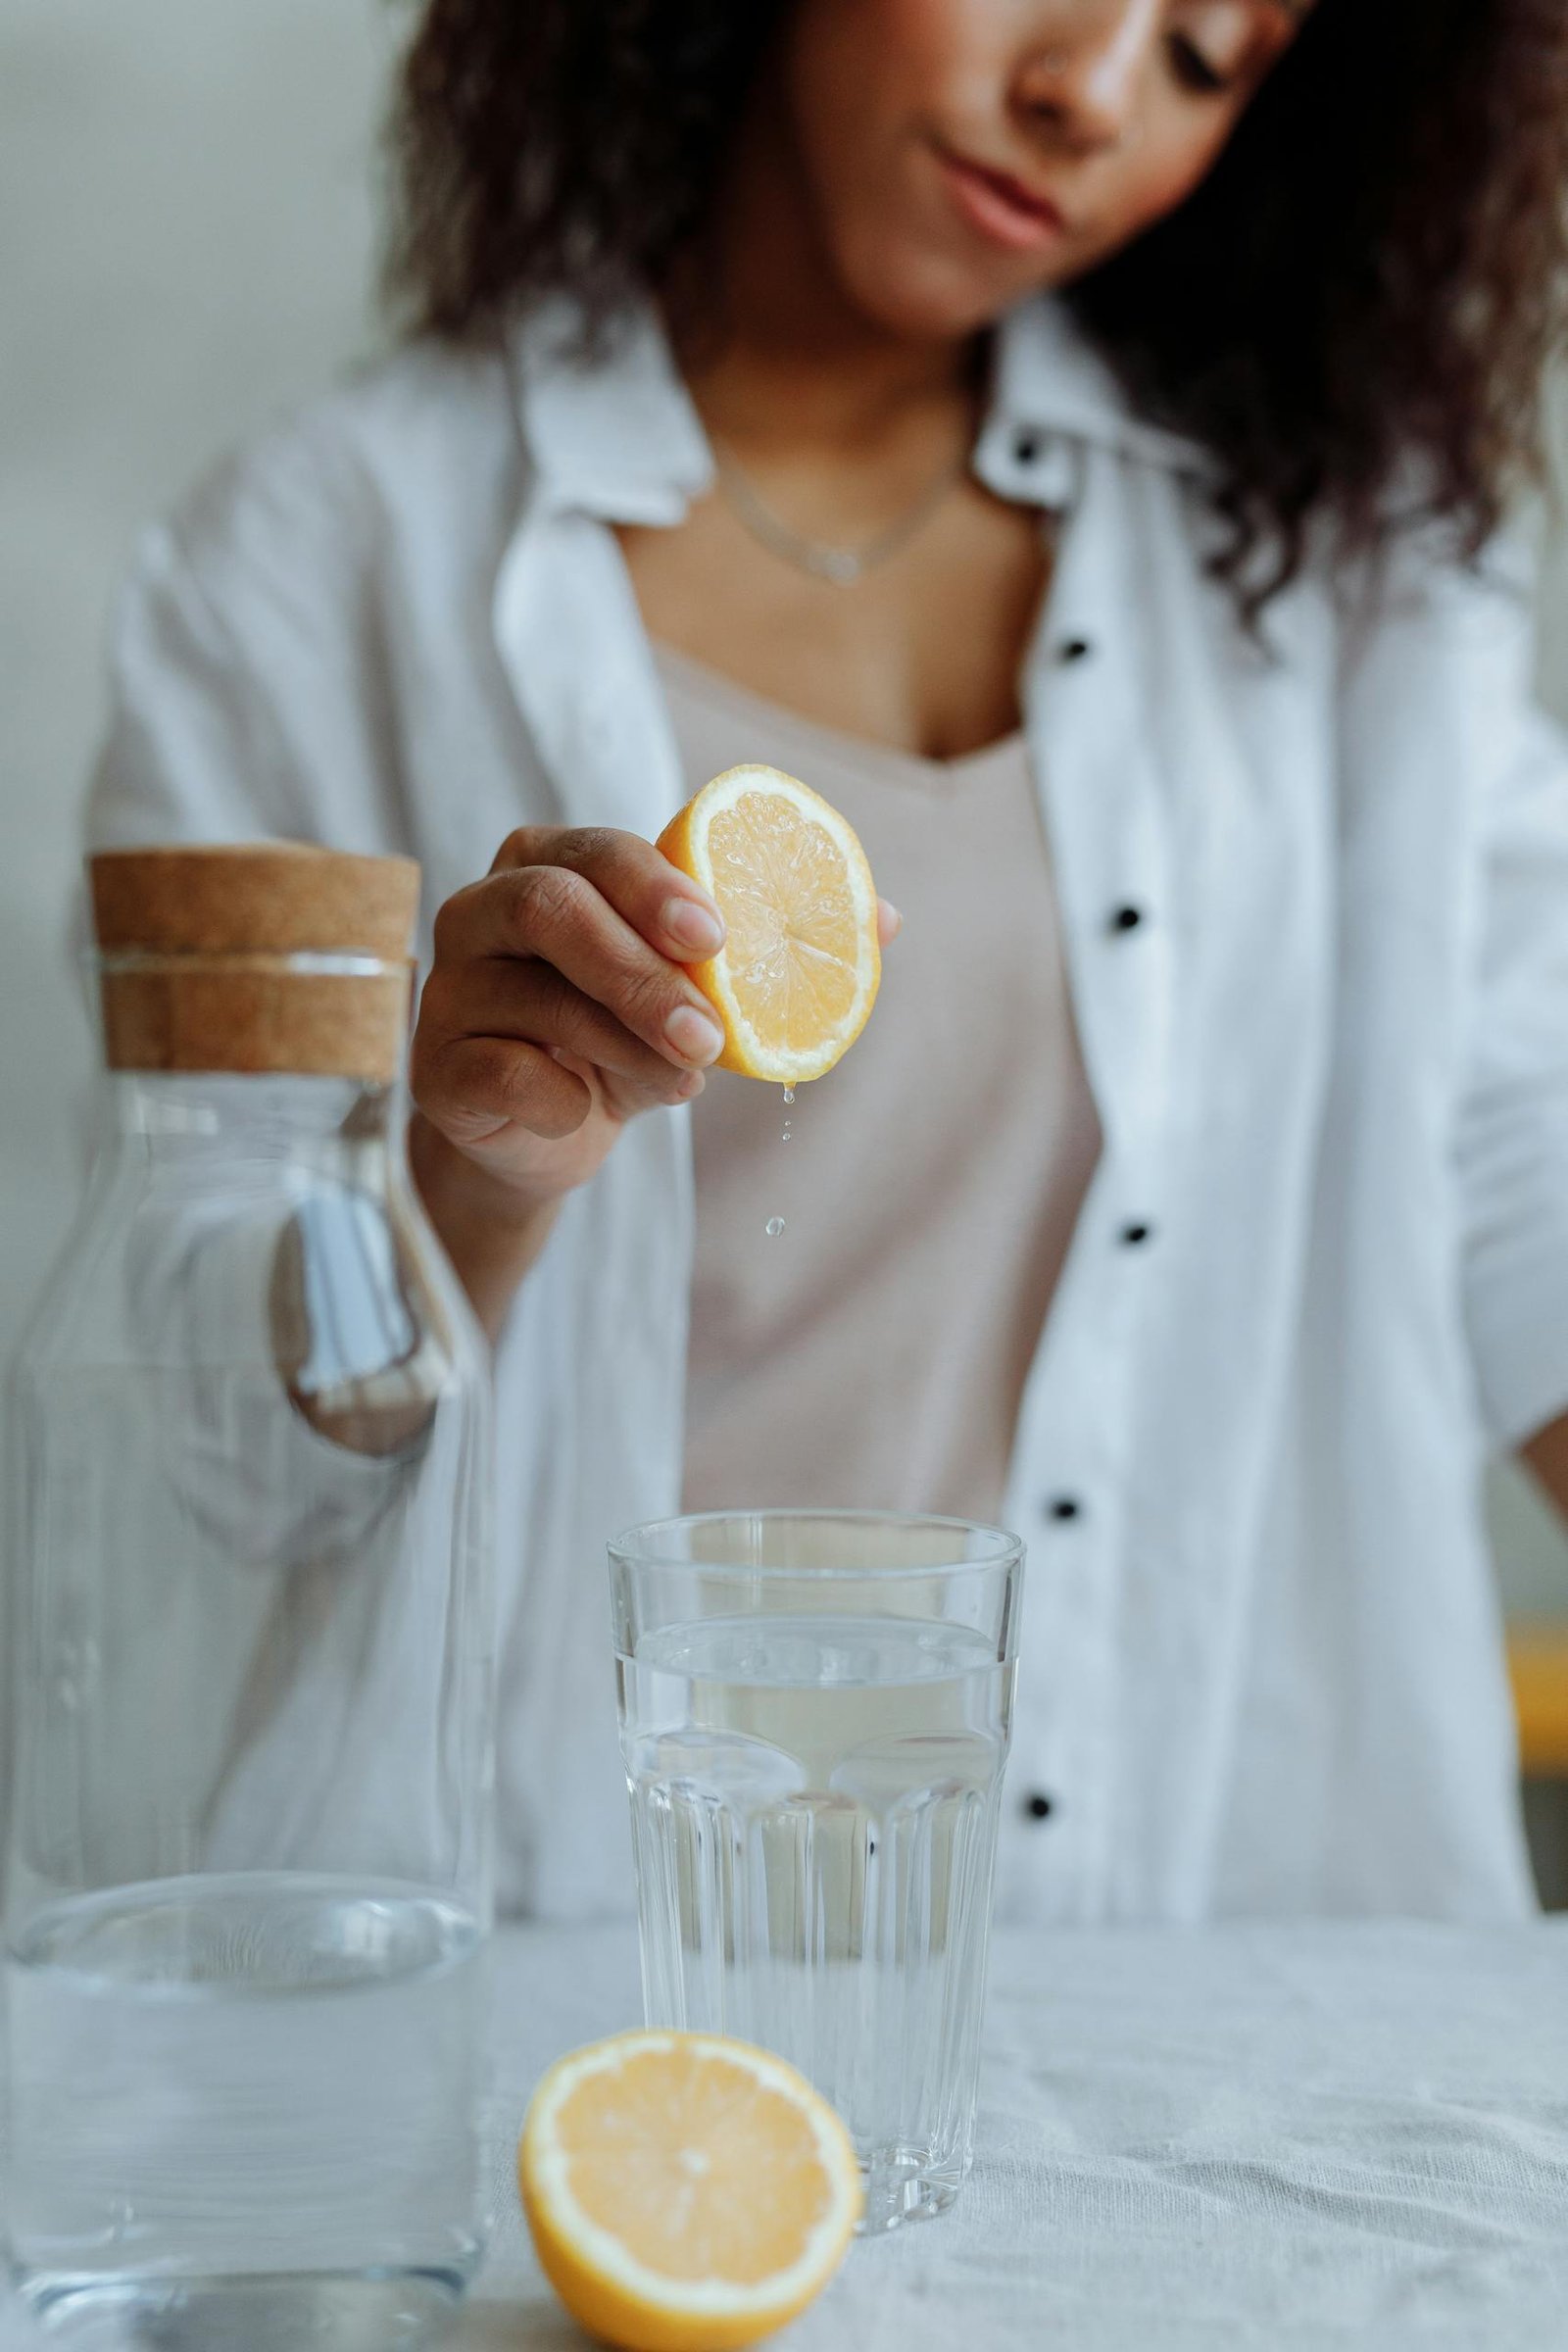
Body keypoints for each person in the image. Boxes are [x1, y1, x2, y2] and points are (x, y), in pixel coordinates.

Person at [89, 0, 1568, 1922]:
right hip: (562, 1965)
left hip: (1180, 1961)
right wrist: (464, 1167)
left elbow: (1522, 1182)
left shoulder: (1331, 578)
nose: (1086, 95)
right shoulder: (315, 562)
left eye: (1205, 55)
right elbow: (225, 1453)